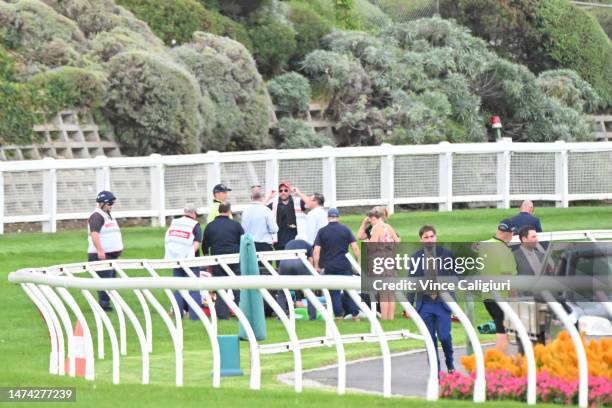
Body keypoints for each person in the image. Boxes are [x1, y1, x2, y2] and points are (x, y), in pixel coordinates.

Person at [411, 225, 456, 373]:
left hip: (443, 304)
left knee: (444, 336)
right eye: (426, 237)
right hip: (425, 305)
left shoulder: (447, 255)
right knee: (430, 340)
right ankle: (435, 374)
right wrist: (409, 306)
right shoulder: (416, 258)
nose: (429, 240)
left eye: (431, 236)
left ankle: (450, 363)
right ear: (421, 239)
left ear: (435, 237)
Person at [313, 208, 361, 321]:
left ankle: (339, 316)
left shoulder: (322, 231)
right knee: (349, 290)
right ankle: (355, 315)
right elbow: (355, 247)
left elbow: (316, 251)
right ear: (338, 217)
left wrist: (316, 266)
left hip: (329, 265)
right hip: (344, 264)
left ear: (328, 217)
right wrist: (357, 262)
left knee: (334, 292)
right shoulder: (345, 229)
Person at [202, 202, 244, 319]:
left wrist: (207, 257)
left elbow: (205, 245)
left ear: (219, 211)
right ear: (229, 211)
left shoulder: (210, 226)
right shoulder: (236, 225)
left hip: (217, 259)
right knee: (236, 286)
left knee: (221, 287)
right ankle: (239, 311)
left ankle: (222, 314)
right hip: (234, 258)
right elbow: (243, 241)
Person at [481, 219, 517, 353]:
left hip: (487, 297)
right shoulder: (504, 250)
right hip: (501, 297)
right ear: (509, 233)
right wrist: (515, 298)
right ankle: (499, 364)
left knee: (501, 327)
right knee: (502, 331)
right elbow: (508, 277)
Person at [164, 203, 203, 320]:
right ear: (192, 213)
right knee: (194, 288)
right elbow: (197, 242)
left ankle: (178, 314)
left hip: (175, 260)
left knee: (178, 288)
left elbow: (168, 239)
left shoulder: (174, 222)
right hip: (190, 261)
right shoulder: (194, 225)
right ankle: (195, 316)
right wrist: (189, 255)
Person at [87, 190, 123, 312]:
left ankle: (107, 304)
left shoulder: (107, 214)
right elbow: (94, 234)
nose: (112, 205)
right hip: (101, 255)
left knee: (111, 282)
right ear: (102, 203)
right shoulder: (97, 216)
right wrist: (100, 250)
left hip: (110, 255)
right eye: (110, 203)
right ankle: (103, 306)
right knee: (104, 282)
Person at [366, 207, 400, 320]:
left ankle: (385, 318)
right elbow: (398, 241)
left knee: (383, 293)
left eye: (371, 219)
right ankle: (391, 318)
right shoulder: (388, 227)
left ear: (376, 218)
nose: (370, 221)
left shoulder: (376, 228)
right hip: (391, 260)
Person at [276, 234, 316, 320]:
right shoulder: (308, 245)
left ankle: (282, 315)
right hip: (300, 263)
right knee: (310, 290)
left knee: (282, 291)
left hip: (284, 264)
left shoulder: (288, 243)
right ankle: (312, 316)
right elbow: (311, 260)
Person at [268, 182, 308, 250]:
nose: (283, 192)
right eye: (281, 191)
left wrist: (299, 193)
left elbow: (309, 203)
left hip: (295, 240)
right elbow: (261, 209)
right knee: (280, 260)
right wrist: (268, 197)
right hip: (279, 242)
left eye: (286, 190)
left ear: (289, 191)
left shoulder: (297, 201)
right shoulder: (274, 203)